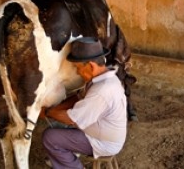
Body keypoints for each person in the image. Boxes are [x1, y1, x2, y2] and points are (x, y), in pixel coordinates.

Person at [41, 37, 127, 169]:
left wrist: (48, 112)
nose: (77, 72)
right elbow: (77, 98)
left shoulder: (101, 91)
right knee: (58, 124)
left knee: (50, 137)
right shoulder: (102, 80)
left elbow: (71, 119)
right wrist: (55, 108)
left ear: (91, 65)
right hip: (103, 133)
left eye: (78, 67)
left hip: (104, 143)